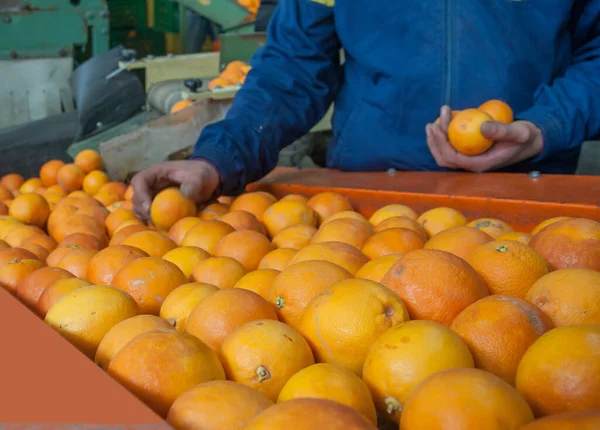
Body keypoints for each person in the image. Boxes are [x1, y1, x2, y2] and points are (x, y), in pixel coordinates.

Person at [132, 1, 600, 219]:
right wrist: (217, 158)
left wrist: (545, 127)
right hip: (368, 205)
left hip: (531, 201)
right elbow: (294, 67)